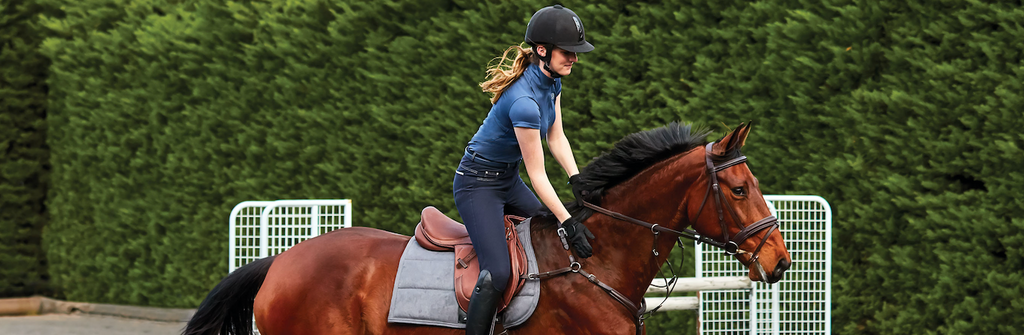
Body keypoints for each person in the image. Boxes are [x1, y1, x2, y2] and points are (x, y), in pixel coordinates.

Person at [452, 4, 596, 334]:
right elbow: (538, 175)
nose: (574, 58)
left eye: (576, 52)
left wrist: (577, 180)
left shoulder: (552, 83)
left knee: (549, 239)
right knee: (499, 271)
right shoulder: (524, 103)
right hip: (477, 184)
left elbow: (557, 137)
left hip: (507, 179)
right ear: (542, 51)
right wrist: (568, 220)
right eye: (568, 52)